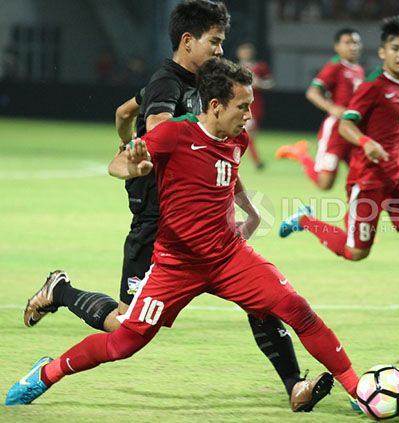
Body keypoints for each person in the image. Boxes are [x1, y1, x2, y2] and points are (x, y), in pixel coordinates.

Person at [21, 0, 327, 411]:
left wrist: (127, 144)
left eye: (222, 42)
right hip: (158, 223)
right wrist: (137, 159)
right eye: (215, 42)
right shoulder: (168, 83)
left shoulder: (204, 84)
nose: (221, 50)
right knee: (124, 326)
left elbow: (125, 112)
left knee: (261, 300)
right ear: (187, 40)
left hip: (201, 228)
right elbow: (160, 130)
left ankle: (294, 385)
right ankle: (61, 291)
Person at [278, 16, 399, 326]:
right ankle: (305, 220)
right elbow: (347, 124)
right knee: (356, 253)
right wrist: (366, 142)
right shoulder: (372, 86)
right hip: (369, 179)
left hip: (398, 175)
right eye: (395, 48)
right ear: (382, 53)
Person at [275, 28, 365, 191]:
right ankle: (300, 154)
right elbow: (312, 92)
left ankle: (358, 214)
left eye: (356, 43)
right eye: (348, 43)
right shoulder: (335, 66)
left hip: (353, 131)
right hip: (336, 131)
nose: (353, 46)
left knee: (364, 177)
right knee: (325, 184)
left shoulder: (358, 69)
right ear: (337, 47)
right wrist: (332, 108)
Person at [236, 42, 272, 170]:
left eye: (248, 51)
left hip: (254, 104)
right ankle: (256, 162)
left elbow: (270, 83)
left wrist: (259, 83)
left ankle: (249, 160)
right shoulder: (233, 68)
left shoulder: (260, 67)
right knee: (244, 134)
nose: (246, 53)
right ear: (239, 53)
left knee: (250, 134)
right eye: (243, 50)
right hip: (236, 105)